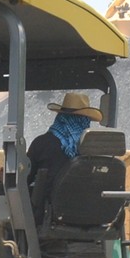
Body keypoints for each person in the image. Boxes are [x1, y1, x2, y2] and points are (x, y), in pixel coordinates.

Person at [24, 91, 102, 220]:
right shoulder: (94, 149)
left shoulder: (42, 143)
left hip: (50, 217)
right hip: (89, 217)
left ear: (61, 117)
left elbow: (25, 179)